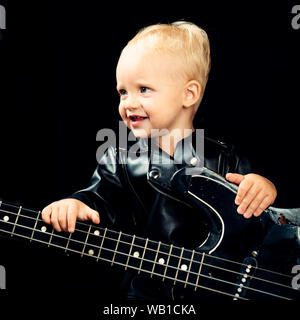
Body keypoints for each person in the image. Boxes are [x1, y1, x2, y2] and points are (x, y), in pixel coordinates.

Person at [41, 21, 277, 301]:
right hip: (146, 294)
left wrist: (263, 188)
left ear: (188, 94)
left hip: (214, 293)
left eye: (143, 89)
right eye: (122, 92)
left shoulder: (224, 157)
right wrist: (77, 203)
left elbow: (255, 222)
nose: (128, 102)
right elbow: (99, 200)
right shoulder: (120, 157)